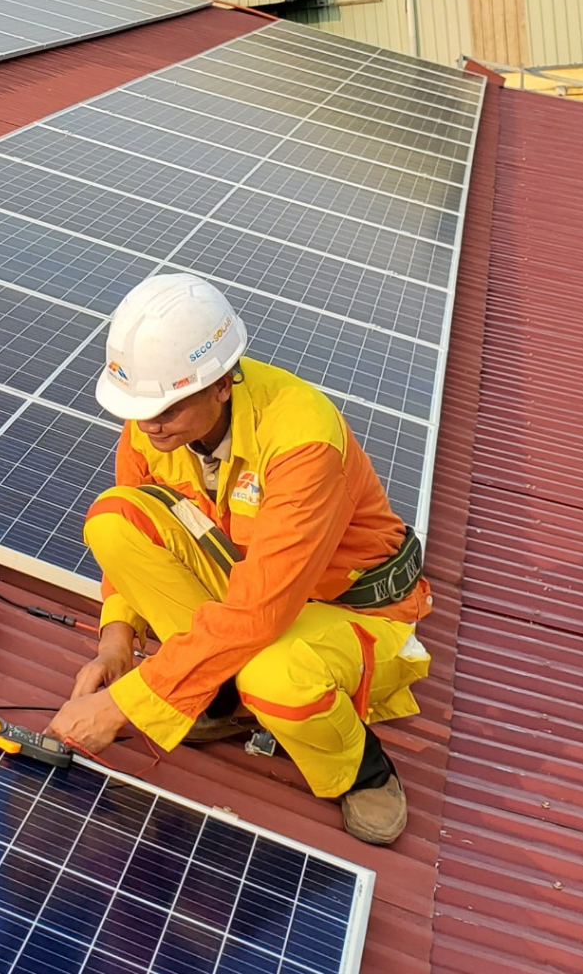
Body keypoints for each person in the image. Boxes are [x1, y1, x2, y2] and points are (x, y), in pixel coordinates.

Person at [46, 273, 433, 844]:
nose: (147, 426)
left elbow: (260, 611)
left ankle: (360, 768)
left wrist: (123, 706)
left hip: (354, 614)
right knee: (114, 517)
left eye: (166, 409)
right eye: (139, 408)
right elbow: (138, 552)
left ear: (223, 383)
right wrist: (117, 641)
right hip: (258, 593)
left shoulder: (303, 440)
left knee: (274, 674)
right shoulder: (151, 426)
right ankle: (219, 697)